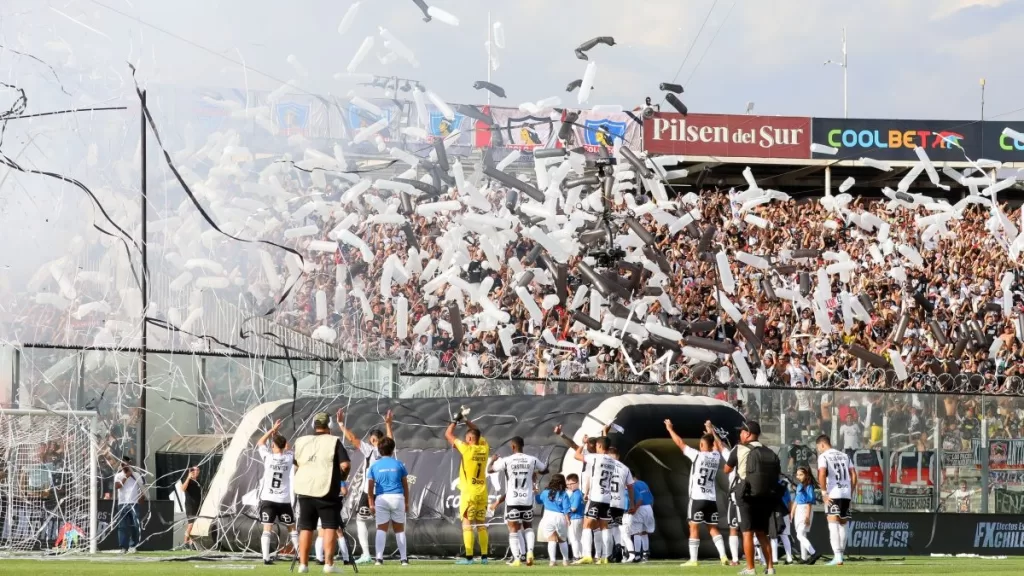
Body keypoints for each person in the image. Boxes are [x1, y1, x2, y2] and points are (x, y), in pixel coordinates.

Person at [293, 410, 351, 574]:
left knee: (306, 527)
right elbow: (345, 465)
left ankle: (303, 565)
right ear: (329, 426)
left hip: (304, 490)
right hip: (326, 490)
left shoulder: (301, 441)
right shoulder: (334, 441)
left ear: (314, 425)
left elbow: (296, 466)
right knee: (330, 526)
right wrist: (342, 478)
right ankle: (329, 564)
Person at [665, 419, 729, 566]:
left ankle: (693, 560)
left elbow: (680, 443)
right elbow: (718, 446)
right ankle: (724, 556)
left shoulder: (697, 456)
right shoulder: (716, 456)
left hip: (697, 498)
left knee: (693, 527)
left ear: (701, 445)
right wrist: (710, 430)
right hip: (711, 499)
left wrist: (670, 429)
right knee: (713, 528)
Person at [723, 422, 781, 576]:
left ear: (747, 434)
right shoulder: (768, 450)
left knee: (747, 532)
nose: (740, 435)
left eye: (741, 432)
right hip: (765, 496)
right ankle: (770, 568)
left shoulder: (739, 448)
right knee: (762, 533)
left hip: (746, 495)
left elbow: (726, 469)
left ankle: (750, 568)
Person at [338, 408, 394, 564]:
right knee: (380, 523)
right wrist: (389, 424)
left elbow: (352, 438)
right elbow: (390, 439)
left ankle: (367, 554)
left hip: (369, 491)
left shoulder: (370, 450)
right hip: (384, 492)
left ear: (373, 440)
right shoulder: (387, 451)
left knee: (361, 521)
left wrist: (341, 424)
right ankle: (379, 556)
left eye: (371, 439)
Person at [488, 436, 546, 566]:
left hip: (513, 499)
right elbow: (545, 470)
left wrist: (492, 460)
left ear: (513, 446)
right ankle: (530, 552)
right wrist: (533, 472)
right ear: (522, 446)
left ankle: (517, 559)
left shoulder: (507, 460)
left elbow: (489, 470)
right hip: (527, 500)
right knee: (528, 527)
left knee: (513, 530)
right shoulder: (532, 460)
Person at [445, 413, 490, 564]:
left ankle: (469, 558)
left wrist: (455, 420)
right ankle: (484, 558)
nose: (465, 440)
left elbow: (448, 434)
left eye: (466, 438)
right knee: (481, 524)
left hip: (469, 492)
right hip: (482, 492)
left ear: (470, 439)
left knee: (467, 524)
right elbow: (477, 430)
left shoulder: (466, 449)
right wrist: (466, 421)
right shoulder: (484, 448)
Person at [256, 419, 298, 565]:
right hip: (284, 500)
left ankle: (266, 558)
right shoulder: (289, 457)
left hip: (268, 498)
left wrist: (272, 430)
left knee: (267, 528)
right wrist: (279, 436)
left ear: (273, 446)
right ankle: (298, 555)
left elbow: (260, 442)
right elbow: (287, 447)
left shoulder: (268, 457)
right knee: (292, 528)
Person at [367, 437, 410, 566]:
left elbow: (369, 487)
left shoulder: (374, 466)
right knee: (399, 529)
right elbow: (405, 486)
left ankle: (379, 559)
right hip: (397, 498)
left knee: (381, 529)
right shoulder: (399, 464)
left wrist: (370, 503)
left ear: (379, 451)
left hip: (381, 498)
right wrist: (407, 502)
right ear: (393, 450)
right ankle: (403, 559)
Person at [816, 434, 857, 566]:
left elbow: (822, 473)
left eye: (818, 447)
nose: (819, 450)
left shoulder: (823, 457)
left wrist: (824, 493)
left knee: (833, 523)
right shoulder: (845, 456)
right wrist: (851, 491)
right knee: (843, 523)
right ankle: (841, 555)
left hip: (833, 492)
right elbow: (854, 474)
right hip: (846, 492)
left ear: (822, 444)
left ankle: (837, 556)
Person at [575, 436, 616, 564]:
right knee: (604, 527)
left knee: (587, 525)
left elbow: (576, 455)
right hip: (607, 498)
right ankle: (605, 556)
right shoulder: (612, 461)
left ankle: (587, 555)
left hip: (596, 496)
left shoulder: (594, 457)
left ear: (598, 445)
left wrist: (583, 443)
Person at [605, 447, 637, 563]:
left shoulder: (605, 465)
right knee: (620, 528)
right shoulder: (625, 468)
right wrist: (632, 503)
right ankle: (625, 552)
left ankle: (607, 554)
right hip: (620, 502)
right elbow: (630, 487)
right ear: (618, 456)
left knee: (608, 528)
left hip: (608, 501)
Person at [534, 474, 572, 567]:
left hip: (548, 516)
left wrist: (535, 492)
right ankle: (566, 561)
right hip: (560, 517)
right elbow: (566, 509)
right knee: (562, 540)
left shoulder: (545, 492)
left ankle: (552, 561)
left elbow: (538, 500)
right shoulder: (563, 494)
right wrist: (568, 520)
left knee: (551, 540)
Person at [113, 456, 146, 554]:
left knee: (135, 525)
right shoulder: (118, 475)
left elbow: (142, 488)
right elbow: (117, 486)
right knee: (122, 526)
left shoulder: (136, 475)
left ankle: (133, 545)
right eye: (122, 464)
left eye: (125, 464)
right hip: (122, 503)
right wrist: (126, 476)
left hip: (134, 503)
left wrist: (142, 496)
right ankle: (123, 547)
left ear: (129, 463)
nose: (123, 466)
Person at [791, 466, 820, 564]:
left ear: (806, 475)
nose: (798, 476)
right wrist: (792, 512)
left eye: (801, 474)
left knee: (800, 534)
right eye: (797, 474)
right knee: (802, 534)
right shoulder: (800, 486)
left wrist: (807, 516)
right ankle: (804, 557)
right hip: (799, 509)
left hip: (804, 510)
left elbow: (809, 502)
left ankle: (814, 553)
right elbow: (796, 500)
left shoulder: (809, 486)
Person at [628, 472, 655, 563]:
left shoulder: (632, 485)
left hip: (639, 508)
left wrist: (634, 509)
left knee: (636, 532)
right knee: (644, 532)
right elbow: (651, 497)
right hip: (649, 508)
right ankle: (645, 554)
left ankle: (637, 555)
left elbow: (639, 499)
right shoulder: (643, 483)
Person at [771, 477, 794, 566]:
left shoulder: (770, 483)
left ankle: (775, 559)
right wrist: (790, 513)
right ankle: (789, 558)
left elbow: (789, 500)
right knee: (784, 535)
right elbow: (789, 501)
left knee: (774, 536)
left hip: (775, 512)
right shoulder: (784, 484)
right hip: (784, 512)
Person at [180, 466, 201, 549]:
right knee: (191, 524)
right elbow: (183, 488)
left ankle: (192, 543)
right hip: (190, 505)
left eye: (198, 470)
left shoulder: (198, 482)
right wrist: (188, 478)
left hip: (198, 505)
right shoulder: (188, 480)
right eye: (195, 470)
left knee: (196, 524)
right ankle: (185, 542)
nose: (197, 471)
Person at [565, 473, 584, 562]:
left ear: (577, 482)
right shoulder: (577, 493)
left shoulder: (576, 494)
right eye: (568, 484)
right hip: (579, 518)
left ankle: (576, 556)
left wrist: (565, 511)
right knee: (579, 538)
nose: (569, 486)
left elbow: (574, 508)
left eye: (571, 484)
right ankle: (580, 555)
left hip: (575, 518)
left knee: (574, 539)